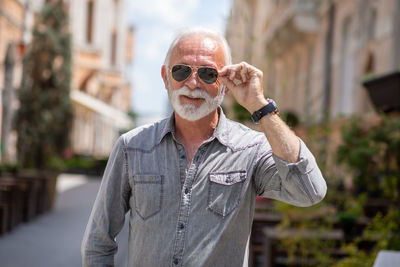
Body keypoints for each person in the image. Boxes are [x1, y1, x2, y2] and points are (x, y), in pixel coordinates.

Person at [81, 27, 327, 267]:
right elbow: (98, 242)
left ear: (224, 82)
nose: (193, 82)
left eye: (208, 74)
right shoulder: (131, 147)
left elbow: (309, 191)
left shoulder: (251, 148)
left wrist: (260, 106)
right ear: (166, 77)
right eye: (181, 71)